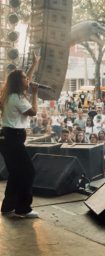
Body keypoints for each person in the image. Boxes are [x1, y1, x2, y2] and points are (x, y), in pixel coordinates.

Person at [0, 52, 40, 218]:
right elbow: (33, 112)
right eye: (24, 78)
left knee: (16, 172)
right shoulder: (17, 98)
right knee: (28, 172)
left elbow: (26, 79)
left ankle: (8, 206)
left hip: (6, 138)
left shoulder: (10, 94)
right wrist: (35, 93)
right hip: (13, 138)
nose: (28, 80)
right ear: (19, 82)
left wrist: (34, 64)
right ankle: (23, 208)